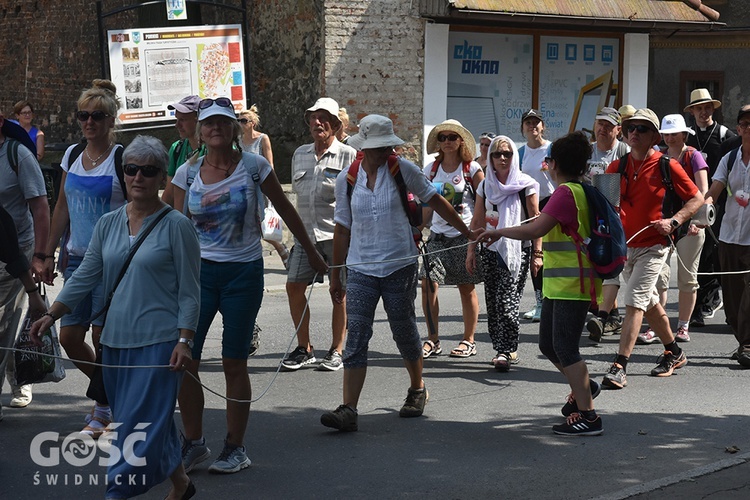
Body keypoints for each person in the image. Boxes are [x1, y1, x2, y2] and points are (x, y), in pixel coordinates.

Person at [30, 135, 200, 500]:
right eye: (131, 169)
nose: (138, 177)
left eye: (149, 171)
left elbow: (190, 291)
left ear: (162, 178)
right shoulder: (108, 223)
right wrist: (52, 313)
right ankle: (182, 485)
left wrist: (184, 341)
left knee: (135, 433)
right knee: (146, 420)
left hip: (160, 345)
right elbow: (87, 274)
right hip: (114, 342)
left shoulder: (176, 226)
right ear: (123, 175)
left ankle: (116, 492)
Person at [172, 97, 327, 473]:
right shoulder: (187, 173)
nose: (215, 129)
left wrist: (311, 252)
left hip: (243, 273)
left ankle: (235, 447)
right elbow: (173, 226)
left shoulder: (255, 167)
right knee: (182, 360)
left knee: (233, 361)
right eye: (208, 123)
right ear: (200, 130)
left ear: (234, 129)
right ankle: (194, 443)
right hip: (199, 276)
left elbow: (286, 210)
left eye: (223, 123)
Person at [320, 114, 480, 431]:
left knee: (403, 328)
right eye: (376, 148)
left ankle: (417, 388)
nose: (382, 153)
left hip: (400, 265)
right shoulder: (347, 180)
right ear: (362, 148)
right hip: (361, 267)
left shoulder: (403, 170)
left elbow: (436, 201)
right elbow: (341, 229)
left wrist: (468, 232)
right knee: (358, 335)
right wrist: (336, 275)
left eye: (385, 147)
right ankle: (348, 409)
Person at [482, 131, 604, 435]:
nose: (545, 164)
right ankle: (585, 387)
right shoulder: (579, 189)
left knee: (565, 347)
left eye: (548, 160)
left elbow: (535, 227)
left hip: (571, 285)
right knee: (548, 345)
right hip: (560, 284)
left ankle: (589, 415)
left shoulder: (567, 193)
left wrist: (498, 233)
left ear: (554, 163)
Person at [42, 79, 125, 434]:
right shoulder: (72, 155)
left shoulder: (123, 159)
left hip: (113, 262)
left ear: (111, 120)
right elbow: (61, 205)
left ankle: (107, 406)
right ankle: (111, 398)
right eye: (83, 115)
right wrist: (47, 252)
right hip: (76, 260)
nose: (88, 122)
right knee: (69, 337)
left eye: (97, 116)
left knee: (102, 338)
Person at [601, 108, 703, 389]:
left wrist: (675, 220)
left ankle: (619, 365)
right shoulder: (615, 167)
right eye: (631, 127)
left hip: (655, 246)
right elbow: (606, 208)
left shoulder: (666, 165)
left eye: (642, 129)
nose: (635, 132)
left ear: (654, 136)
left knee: (634, 299)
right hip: (626, 248)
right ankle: (674, 351)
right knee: (648, 303)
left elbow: (696, 198)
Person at [282, 97, 357, 372]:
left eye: (323, 117)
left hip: (337, 237)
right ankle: (305, 348)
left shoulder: (348, 155)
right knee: (293, 286)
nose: (317, 122)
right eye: (313, 118)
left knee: (339, 293)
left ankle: (337, 349)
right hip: (305, 237)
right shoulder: (300, 154)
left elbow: (355, 197)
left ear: (336, 124)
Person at [468, 135, 540, 371]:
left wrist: (537, 254)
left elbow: (536, 220)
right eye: (497, 154)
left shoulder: (526, 184)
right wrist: (471, 251)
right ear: (490, 157)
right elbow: (477, 220)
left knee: (507, 300)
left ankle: (505, 350)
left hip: (517, 250)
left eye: (507, 154)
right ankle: (501, 346)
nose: (501, 158)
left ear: (513, 157)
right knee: (494, 302)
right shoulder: (485, 185)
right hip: (490, 248)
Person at [636, 114, 708, 345]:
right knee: (658, 277)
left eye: (673, 133)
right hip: (663, 225)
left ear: (684, 135)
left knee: (687, 278)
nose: (669, 137)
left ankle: (683, 326)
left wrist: (697, 221)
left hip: (690, 225)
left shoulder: (693, 156)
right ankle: (658, 325)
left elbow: (703, 191)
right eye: (666, 133)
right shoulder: (660, 157)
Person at [419, 119, 484, 358]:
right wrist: (418, 229)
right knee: (427, 284)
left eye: (452, 137)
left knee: (466, 287)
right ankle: (433, 339)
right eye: (442, 138)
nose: (446, 142)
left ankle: (469, 340)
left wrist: (477, 234)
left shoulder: (472, 169)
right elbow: (427, 205)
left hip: (463, 235)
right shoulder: (430, 170)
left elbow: (482, 202)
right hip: (437, 236)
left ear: (461, 141)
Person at [0, 113, 50, 410]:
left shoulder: (17, 155)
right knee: (8, 326)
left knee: (7, 324)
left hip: (16, 251)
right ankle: (18, 373)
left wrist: (40, 256)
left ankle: (20, 378)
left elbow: (41, 207)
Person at [684, 88, 736, 327]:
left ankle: (711, 299)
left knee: (715, 253)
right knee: (697, 255)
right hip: (691, 203)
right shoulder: (687, 136)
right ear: (692, 111)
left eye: (707, 108)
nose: (703, 112)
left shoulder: (725, 135)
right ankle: (698, 305)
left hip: (720, 203)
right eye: (699, 108)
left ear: (713, 110)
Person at [704, 104, 750, 367]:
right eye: (744, 124)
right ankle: (742, 339)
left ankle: (747, 344)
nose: (748, 129)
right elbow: (715, 189)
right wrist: (703, 212)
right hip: (730, 236)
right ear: (738, 128)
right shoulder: (729, 159)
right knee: (732, 300)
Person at [585, 107, 630, 342]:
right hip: (591, 218)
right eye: (599, 124)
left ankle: (606, 317)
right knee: (596, 267)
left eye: (609, 126)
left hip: (618, 221)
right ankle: (611, 315)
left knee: (611, 267)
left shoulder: (625, 153)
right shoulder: (586, 153)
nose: (602, 129)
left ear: (618, 130)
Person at [238, 105, 290, 270]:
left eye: (243, 120)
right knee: (246, 223)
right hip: (243, 187)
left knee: (262, 223)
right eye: (238, 120)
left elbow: (270, 165)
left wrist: (270, 187)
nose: (240, 123)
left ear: (252, 123)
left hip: (260, 186)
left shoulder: (263, 138)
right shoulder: (237, 141)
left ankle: (280, 248)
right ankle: (252, 258)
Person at [519, 109, 553, 322]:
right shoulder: (519, 153)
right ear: (522, 128)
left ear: (543, 126)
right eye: (528, 123)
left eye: (536, 122)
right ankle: (540, 302)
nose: (532, 126)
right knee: (535, 254)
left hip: (551, 204)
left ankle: (555, 300)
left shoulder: (552, 149)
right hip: (529, 207)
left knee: (553, 254)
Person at [162, 95, 204, 208]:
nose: (177, 125)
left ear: (198, 120)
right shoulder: (176, 149)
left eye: (183, 120)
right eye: (177, 119)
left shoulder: (215, 149)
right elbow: (170, 193)